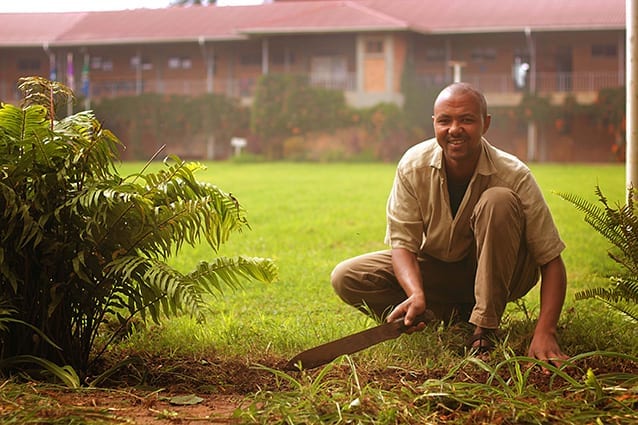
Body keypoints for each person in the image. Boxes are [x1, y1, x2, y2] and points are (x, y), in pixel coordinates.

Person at [331, 82, 568, 364]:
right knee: (347, 276)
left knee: (499, 201)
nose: (454, 129)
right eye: (445, 120)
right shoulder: (413, 165)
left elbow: (551, 260)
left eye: (466, 120)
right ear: (434, 124)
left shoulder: (514, 174)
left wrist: (545, 331)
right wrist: (415, 293)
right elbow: (403, 245)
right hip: (440, 270)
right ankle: (442, 315)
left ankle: (484, 328)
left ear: (485, 123)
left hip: (503, 273)